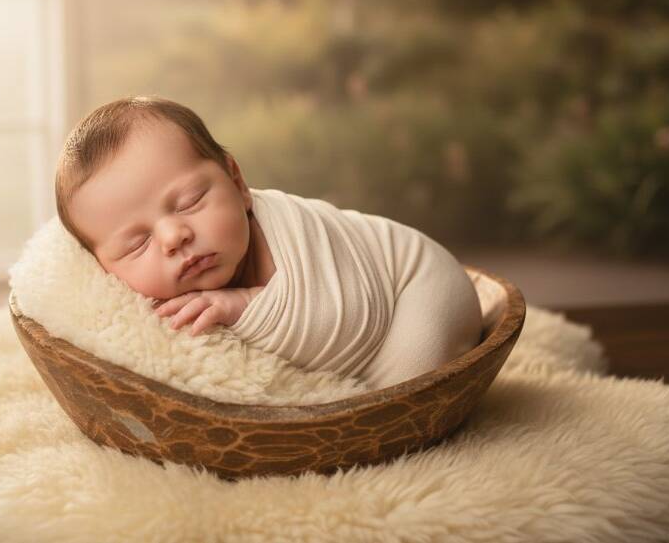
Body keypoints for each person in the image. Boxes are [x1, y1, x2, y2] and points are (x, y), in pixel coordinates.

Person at [55, 95, 483, 390]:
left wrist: (244, 305)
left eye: (190, 201)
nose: (173, 237)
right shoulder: (136, 314)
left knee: (402, 388)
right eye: (135, 244)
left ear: (237, 182)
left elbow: (353, 319)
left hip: (416, 285)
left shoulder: (287, 236)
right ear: (102, 268)